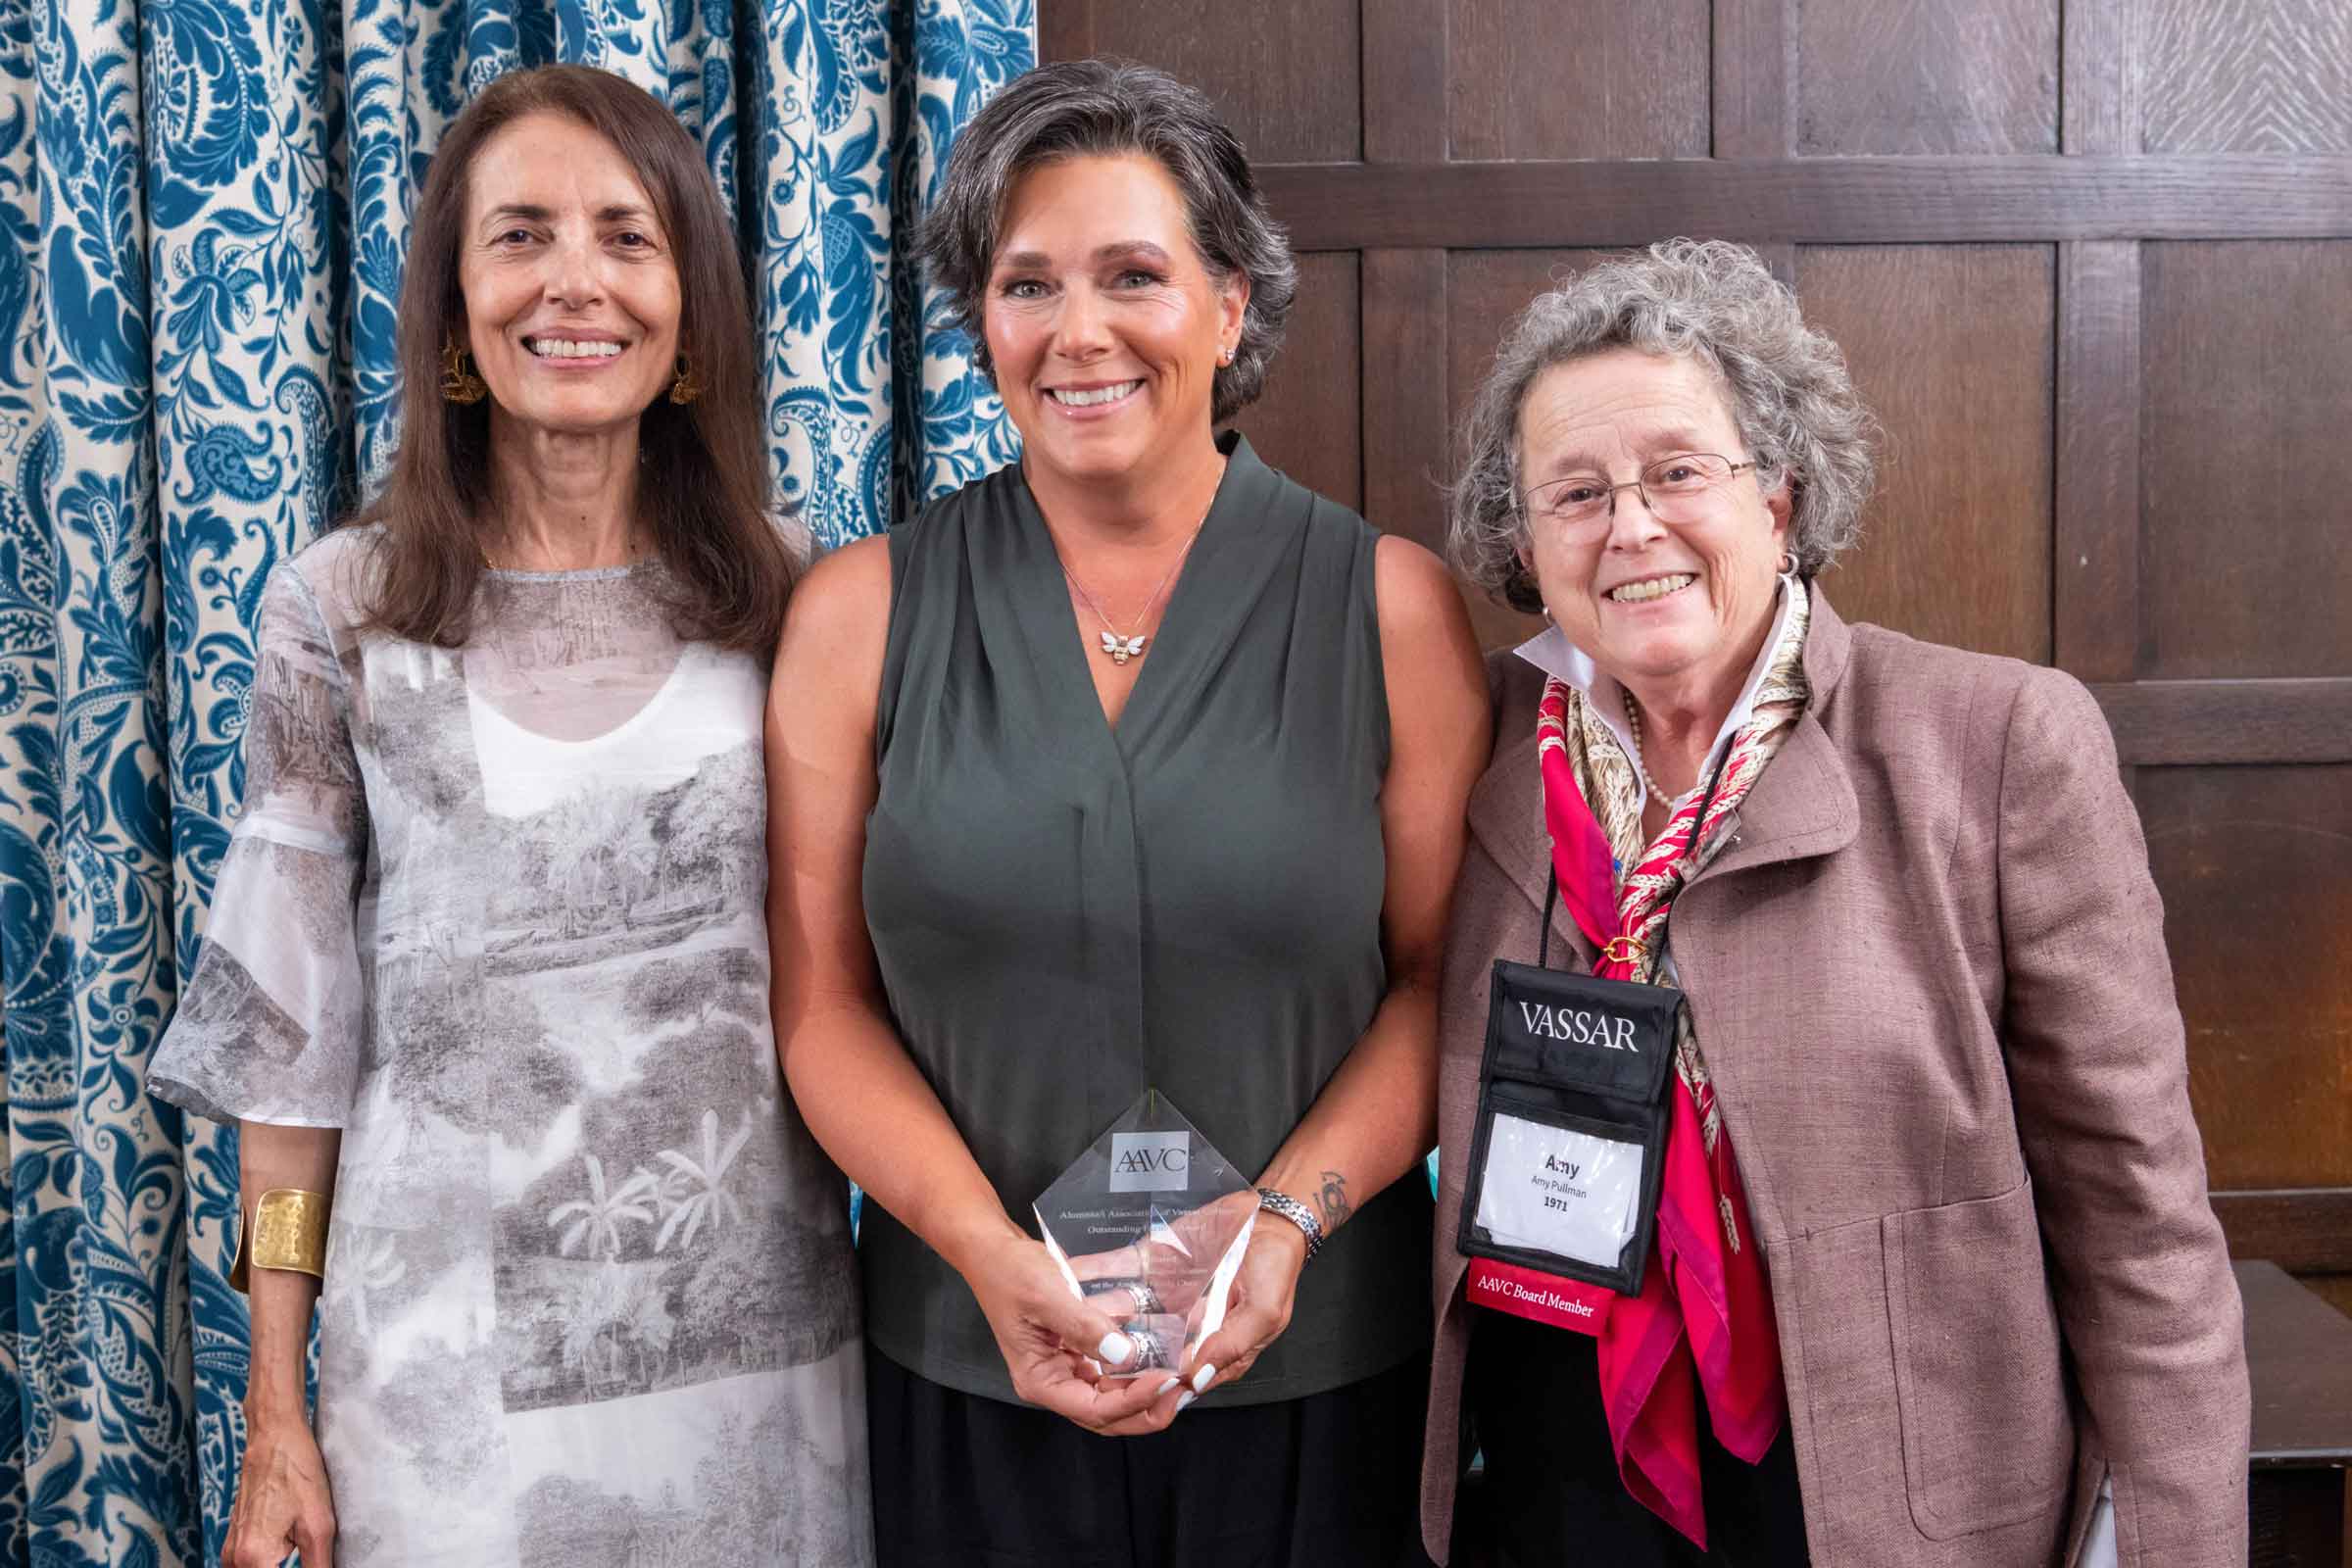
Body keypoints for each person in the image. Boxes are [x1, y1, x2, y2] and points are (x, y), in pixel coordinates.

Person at [1420, 239, 2249, 1567]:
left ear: (1785, 499)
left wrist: (2169, 1539)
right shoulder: (1483, 749)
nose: (1630, 526)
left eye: (1679, 472)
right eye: (1573, 491)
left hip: (1884, 1491)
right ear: (1525, 539)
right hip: (1556, 1475)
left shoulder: (1991, 744)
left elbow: (2137, 1217)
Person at [764, 58, 1487, 1568]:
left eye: (1133, 276)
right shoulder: (859, 613)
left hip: (1317, 1377)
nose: (1076, 331)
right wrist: (985, 1259)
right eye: (1028, 284)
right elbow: (822, 1006)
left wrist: (1284, 1228)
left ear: (1230, 309)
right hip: (968, 1373)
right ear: (983, 322)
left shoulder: (1389, 608)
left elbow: (1435, 987)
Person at [146, 65, 871, 1568]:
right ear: (458, 300)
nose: (574, 283)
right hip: (439, 1387)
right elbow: (293, 1053)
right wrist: (273, 1408)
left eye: (625, 234)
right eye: (520, 235)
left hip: (753, 1356)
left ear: (689, 303)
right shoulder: (339, 610)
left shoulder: (797, 593)